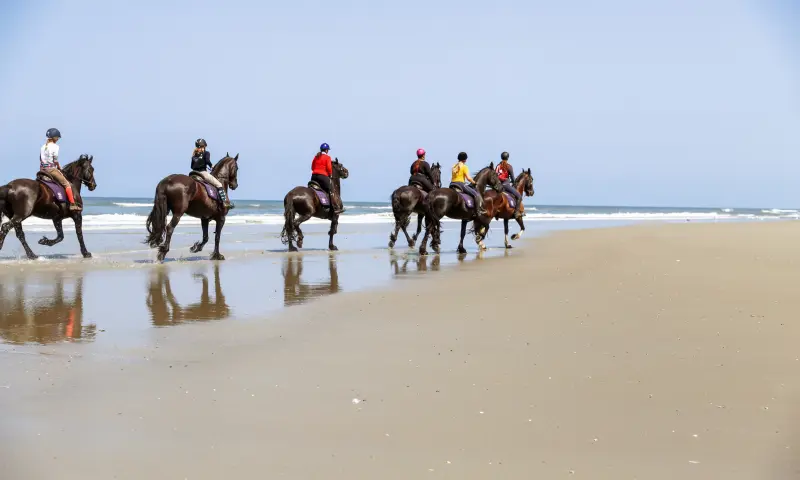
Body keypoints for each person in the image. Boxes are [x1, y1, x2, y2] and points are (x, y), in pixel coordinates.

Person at [40, 128, 81, 211]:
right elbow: (55, 161)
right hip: (51, 169)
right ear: (54, 137)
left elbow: (41, 159)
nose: (58, 139)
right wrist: (59, 167)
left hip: (42, 170)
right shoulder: (55, 147)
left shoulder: (43, 146)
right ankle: (72, 204)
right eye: (57, 137)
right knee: (67, 184)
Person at [191, 138, 233, 209]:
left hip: (193, 173)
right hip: (202, 173)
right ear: (204, 146)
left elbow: (192, 166)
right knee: (219, 184)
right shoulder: (206, 153)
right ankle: (225, 203)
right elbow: (207, 161)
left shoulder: (194, 155)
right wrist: (211, 166)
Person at [450, 151, 487, 217]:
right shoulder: (464, 167)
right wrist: (474, 182)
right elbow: (468, 178)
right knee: (476, 194)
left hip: (452, 184)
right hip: (460, 184)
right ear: (465, 159)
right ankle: (478, 212)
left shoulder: (454, 166)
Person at [310, 143, 343, 214]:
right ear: (327, 150)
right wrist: (330, 174)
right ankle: (335, 208)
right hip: (322, 176)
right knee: (331, 189)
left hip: (314, 177)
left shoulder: (316, 157)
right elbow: (329, 168)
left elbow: (312, 167)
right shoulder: (327, 157)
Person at [496, 151, 523, 219]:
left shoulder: (497, 166)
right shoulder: (509, 166)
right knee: (519, 196)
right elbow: (513, 179)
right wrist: (514, 183)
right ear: (508, 158)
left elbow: (495, 175)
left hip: (498, 186)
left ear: (501, 157)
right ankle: (516, 213)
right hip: (505, 185)